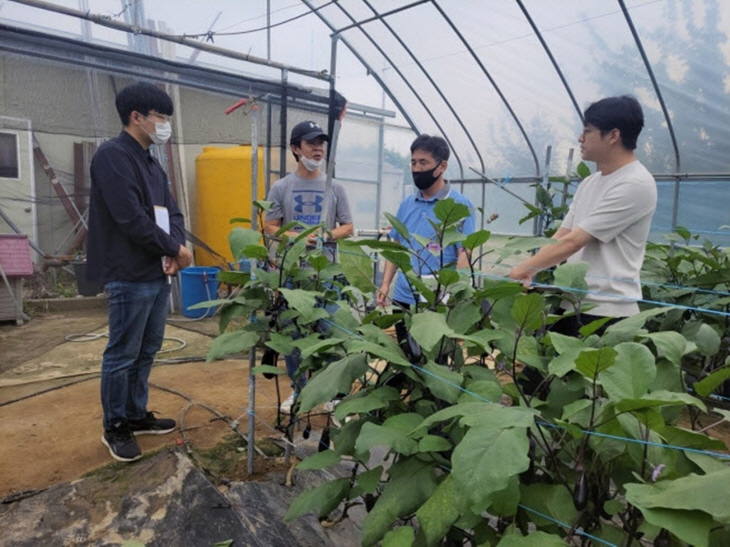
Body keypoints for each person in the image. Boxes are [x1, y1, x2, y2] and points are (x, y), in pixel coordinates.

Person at [87, 82, 193, 462]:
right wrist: (173, 248)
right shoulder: (112, 157)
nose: (165, 124)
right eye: (161, 117)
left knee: (147, 349)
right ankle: (115, 425)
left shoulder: (152, 163)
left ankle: (135, 414)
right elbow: (129, 218)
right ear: (137, 117)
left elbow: (173, 213)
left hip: (156, 271)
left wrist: (175, 248)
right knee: (123, 352)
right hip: (128, 273)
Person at [509, 95, 657, 337]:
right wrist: (530, 270)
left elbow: (574, 242)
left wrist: (522, 269)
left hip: (608, 312)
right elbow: (562, 236)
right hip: (573, 303)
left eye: (587, 131)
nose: (580, 138)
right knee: (539, 374)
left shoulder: (636, 183)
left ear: (613, 136)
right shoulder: (590, 183)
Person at [264, 120, 354, 412]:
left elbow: (348, 227)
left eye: (321, 144)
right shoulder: (281, 187)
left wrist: (326, 235)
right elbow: (269, 226)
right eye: (311, 143)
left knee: (330, 330)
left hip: (325, 274)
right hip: (293, 275)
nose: (318, 149)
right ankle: (299, 390)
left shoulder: (334, 186)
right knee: (294, 334)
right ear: (295, 148)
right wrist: (301, 237)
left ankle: (333, 394)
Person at [377, 134, 476, 348]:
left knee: (435, 359)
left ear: (442, 166)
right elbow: (396, 246)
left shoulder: (460, 205)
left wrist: (450, 293)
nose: (417, 168)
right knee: (407, 355)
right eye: (413, 162)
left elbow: (464, 253)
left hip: (436, 298)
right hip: (404, 296)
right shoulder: (407, 204)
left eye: (423, 162)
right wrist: (385, 284)